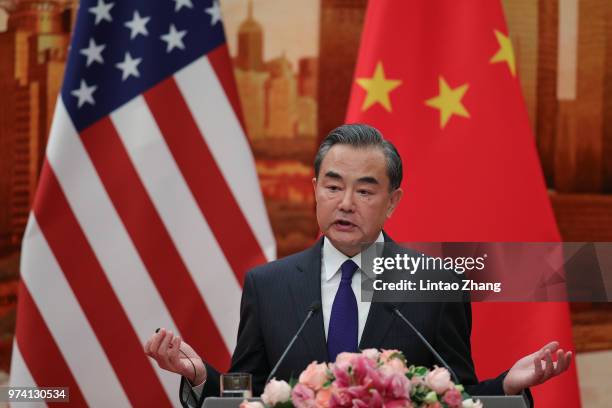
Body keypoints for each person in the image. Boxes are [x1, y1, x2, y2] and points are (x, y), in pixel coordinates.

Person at [145, 124, 572, 407]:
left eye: (365, 191)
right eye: (333, 186)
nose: (345, 203)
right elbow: (247, 393)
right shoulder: (268, 285)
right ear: (315, 190)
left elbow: (458, 397)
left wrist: (508, 387)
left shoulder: (435, 284)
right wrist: (201, 377)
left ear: (393, 201)